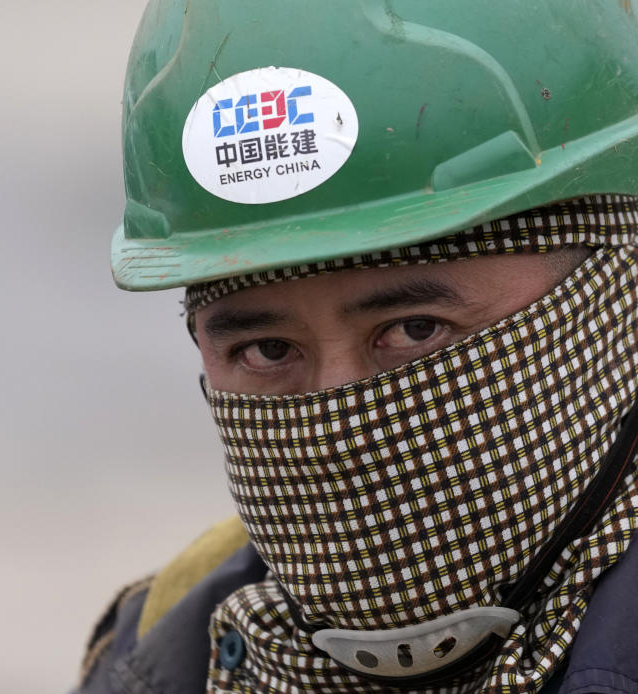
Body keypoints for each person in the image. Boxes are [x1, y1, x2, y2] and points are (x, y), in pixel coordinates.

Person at [76, 1, 638, 691]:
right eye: (267, 350)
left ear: (619, 294)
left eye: (415, 331)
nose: (338, 430)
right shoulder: (168, 646)